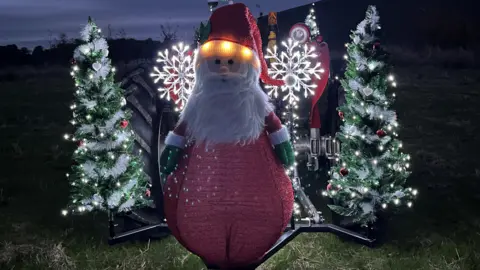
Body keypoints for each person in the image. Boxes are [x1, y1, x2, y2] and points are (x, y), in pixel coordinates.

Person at [159, 3, 295, 269]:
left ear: (246, 66)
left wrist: (283, 146)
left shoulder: (253, 99)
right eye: (217, 62)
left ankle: (247, 243)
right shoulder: (199, 102)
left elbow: (273, 124)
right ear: (204, 66)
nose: (223, 69)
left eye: (231, 63)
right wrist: (172, 150)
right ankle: (211, 240)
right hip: (205, 171)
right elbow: (182, 129)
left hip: (253, 168)